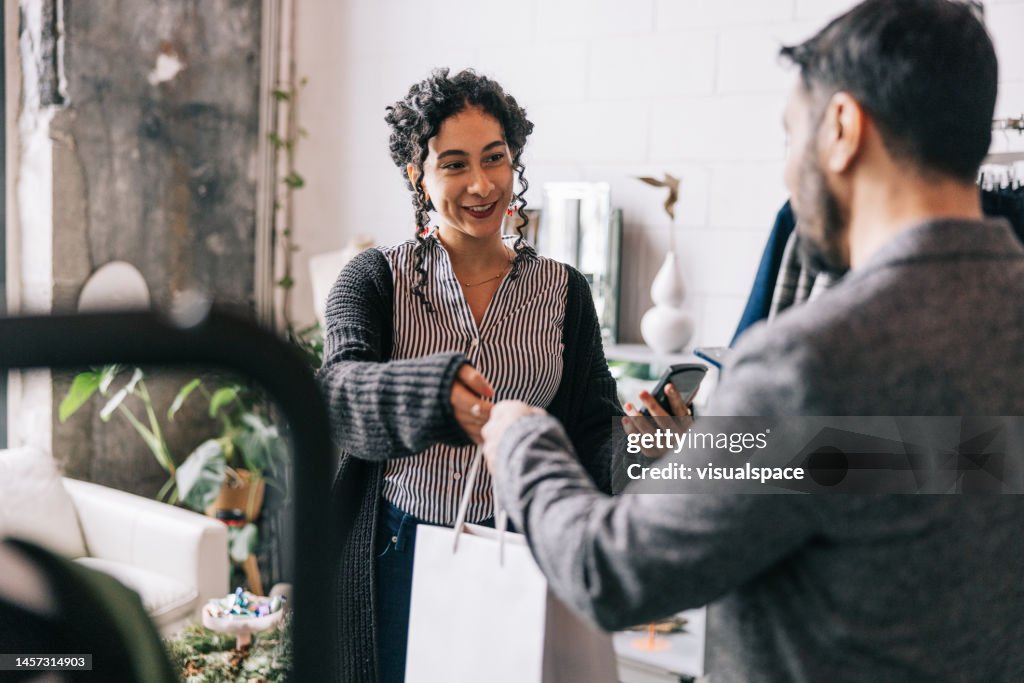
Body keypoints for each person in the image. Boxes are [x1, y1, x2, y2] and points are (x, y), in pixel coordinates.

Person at [481, 1, 1024, 681]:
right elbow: (917, 463)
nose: (788, 169)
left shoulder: (810, 361)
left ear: (842, 128)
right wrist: (709, 453)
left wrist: (523, 442)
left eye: (789, 133)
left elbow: (610, 573)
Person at [316, 68, 621, 682]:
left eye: (495, 159)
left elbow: (594, 430)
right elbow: (337, 394)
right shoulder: (375, 279)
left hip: (526, 552)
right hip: (398, 547)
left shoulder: (564, 291)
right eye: (454, 164)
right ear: (417, 175)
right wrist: (435, 395)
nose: (482, 185)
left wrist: (650, 438)